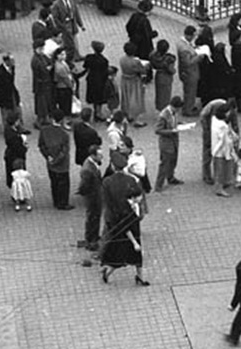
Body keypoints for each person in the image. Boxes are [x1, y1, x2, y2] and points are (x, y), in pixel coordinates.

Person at [100, 151, 148, 285]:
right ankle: (139, 276)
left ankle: (108, 269)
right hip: (131, 219)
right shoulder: (131, 180)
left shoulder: (107, 182)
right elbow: (138, 196)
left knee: (118, 249)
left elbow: (107, 202)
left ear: (113, 167)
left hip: (116, 220)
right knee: (135, 248)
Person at [154, 96, 185, 191]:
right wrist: (171, 131)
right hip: (166, 144)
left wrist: (179, 124)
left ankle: (170, 177)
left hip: (174, 142)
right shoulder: (163, 115)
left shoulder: (173, 113)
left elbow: (173, 122)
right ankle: (158, 185)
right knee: (165, 163)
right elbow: (158, 130)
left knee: (173, 161)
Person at [78, 145, 105, 249]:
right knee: (92, 217)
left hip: (95, 194)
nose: (101, 157)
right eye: (99, 155)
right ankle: (91, 240)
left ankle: (93, 237)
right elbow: (83, 186)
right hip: (92, 197)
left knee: (95, 217)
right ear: (93, 155)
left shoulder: (93, 164)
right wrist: (89, 195)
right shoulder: (88, 169)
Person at [119, 42, 149, 127]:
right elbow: (142, 70)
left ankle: (127, 114)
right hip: (134, 81)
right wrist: (146, 67)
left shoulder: (122, 59)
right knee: (136, 99)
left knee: (126, 98)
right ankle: (137, 120)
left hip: (125, 80)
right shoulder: (135, 62)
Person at [211, 103, 238, 197]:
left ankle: (221, 184)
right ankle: (219, 188)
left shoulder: (214, 120)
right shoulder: (223, 126)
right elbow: (225, 140)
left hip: (216, 149)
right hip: (222, 151)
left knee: (219, 168)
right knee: (221, 169)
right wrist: (232, 150)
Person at [177, 26, 202, 116]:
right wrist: (198, 57)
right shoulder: (184, 48)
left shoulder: (184, 44)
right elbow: (188, 62)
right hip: (189, 73)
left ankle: (189, 105)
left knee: (189, 91)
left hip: (188, 72)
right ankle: (188, 110)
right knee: (190, 91)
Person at [150, 39, 176, 112]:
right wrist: (174, 71)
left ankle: (159, 108)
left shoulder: (153, 56)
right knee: (166, 95)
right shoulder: (169, 59)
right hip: (166, 77)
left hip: (158, 76)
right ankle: (165, 111)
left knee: (159, 94)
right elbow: (171, 70)